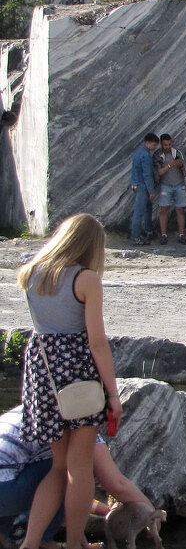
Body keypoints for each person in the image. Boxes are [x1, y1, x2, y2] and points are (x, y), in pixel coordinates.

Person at [16, 214, 121, 549]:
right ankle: (75, 544)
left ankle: (29, 544)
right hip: (77, 373)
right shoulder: (86, 279)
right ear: (91, 246)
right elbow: (97, 343)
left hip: (41, 370)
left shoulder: (31, 273)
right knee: (80, 466)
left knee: (57, 466)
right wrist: (113, 393)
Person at [0, 405, 156, 548]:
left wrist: (99, 513)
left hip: (8, 482)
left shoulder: (36, 405)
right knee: (71, 468)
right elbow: (116, 484)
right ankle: (42, 540)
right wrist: (151, 512)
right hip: (7, 491)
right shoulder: (80, 424)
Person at [153, 134, 186, 246]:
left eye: (170, 144)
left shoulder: (177, 153)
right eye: (165, 144)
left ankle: (181, 234)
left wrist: (181, 166)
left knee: (180, 209)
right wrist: (170, 165)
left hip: (179, 184)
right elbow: (159, 172)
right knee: (164, 209)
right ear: (161, 144)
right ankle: (163, 235)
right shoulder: (158, 155)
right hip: (165, 185)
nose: (168, 146)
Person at [128, 133, 158, 246]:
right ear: (148, 143)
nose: (154, 147)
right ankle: (135, 237)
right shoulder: (145, 155)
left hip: (136, 184)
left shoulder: (138, 152)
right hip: (143, 186)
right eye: (154, 145)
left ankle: (148, 231)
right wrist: (151, 191)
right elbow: (147, 174)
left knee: (147, 209)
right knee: (139, 212)